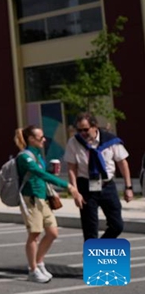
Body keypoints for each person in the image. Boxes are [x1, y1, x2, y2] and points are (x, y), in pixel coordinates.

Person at [14, 125, 83, 283]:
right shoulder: (24, 157)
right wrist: (69, 186)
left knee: (52, 233)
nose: (44, 139)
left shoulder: (38, 154)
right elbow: (39, 173)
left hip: (43, 197)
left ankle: (39, 262)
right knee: (34, 234)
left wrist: (51, 176)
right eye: (41, 137)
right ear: (31, 139)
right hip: (30, 198)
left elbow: (42, 174)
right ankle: (32, 271)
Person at [65, 112, 133, 241]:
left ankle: (97, 248)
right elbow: (71, 168)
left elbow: (122, 163)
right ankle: (93, 256)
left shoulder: (110, 140)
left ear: (94, 126)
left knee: (117, 225)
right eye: (79, 130)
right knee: (90, 229)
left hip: (107, 186)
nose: (82, 133)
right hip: (86, 187)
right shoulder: (73, 142)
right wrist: (75, 192)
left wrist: (128, 187)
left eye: (85, 129)